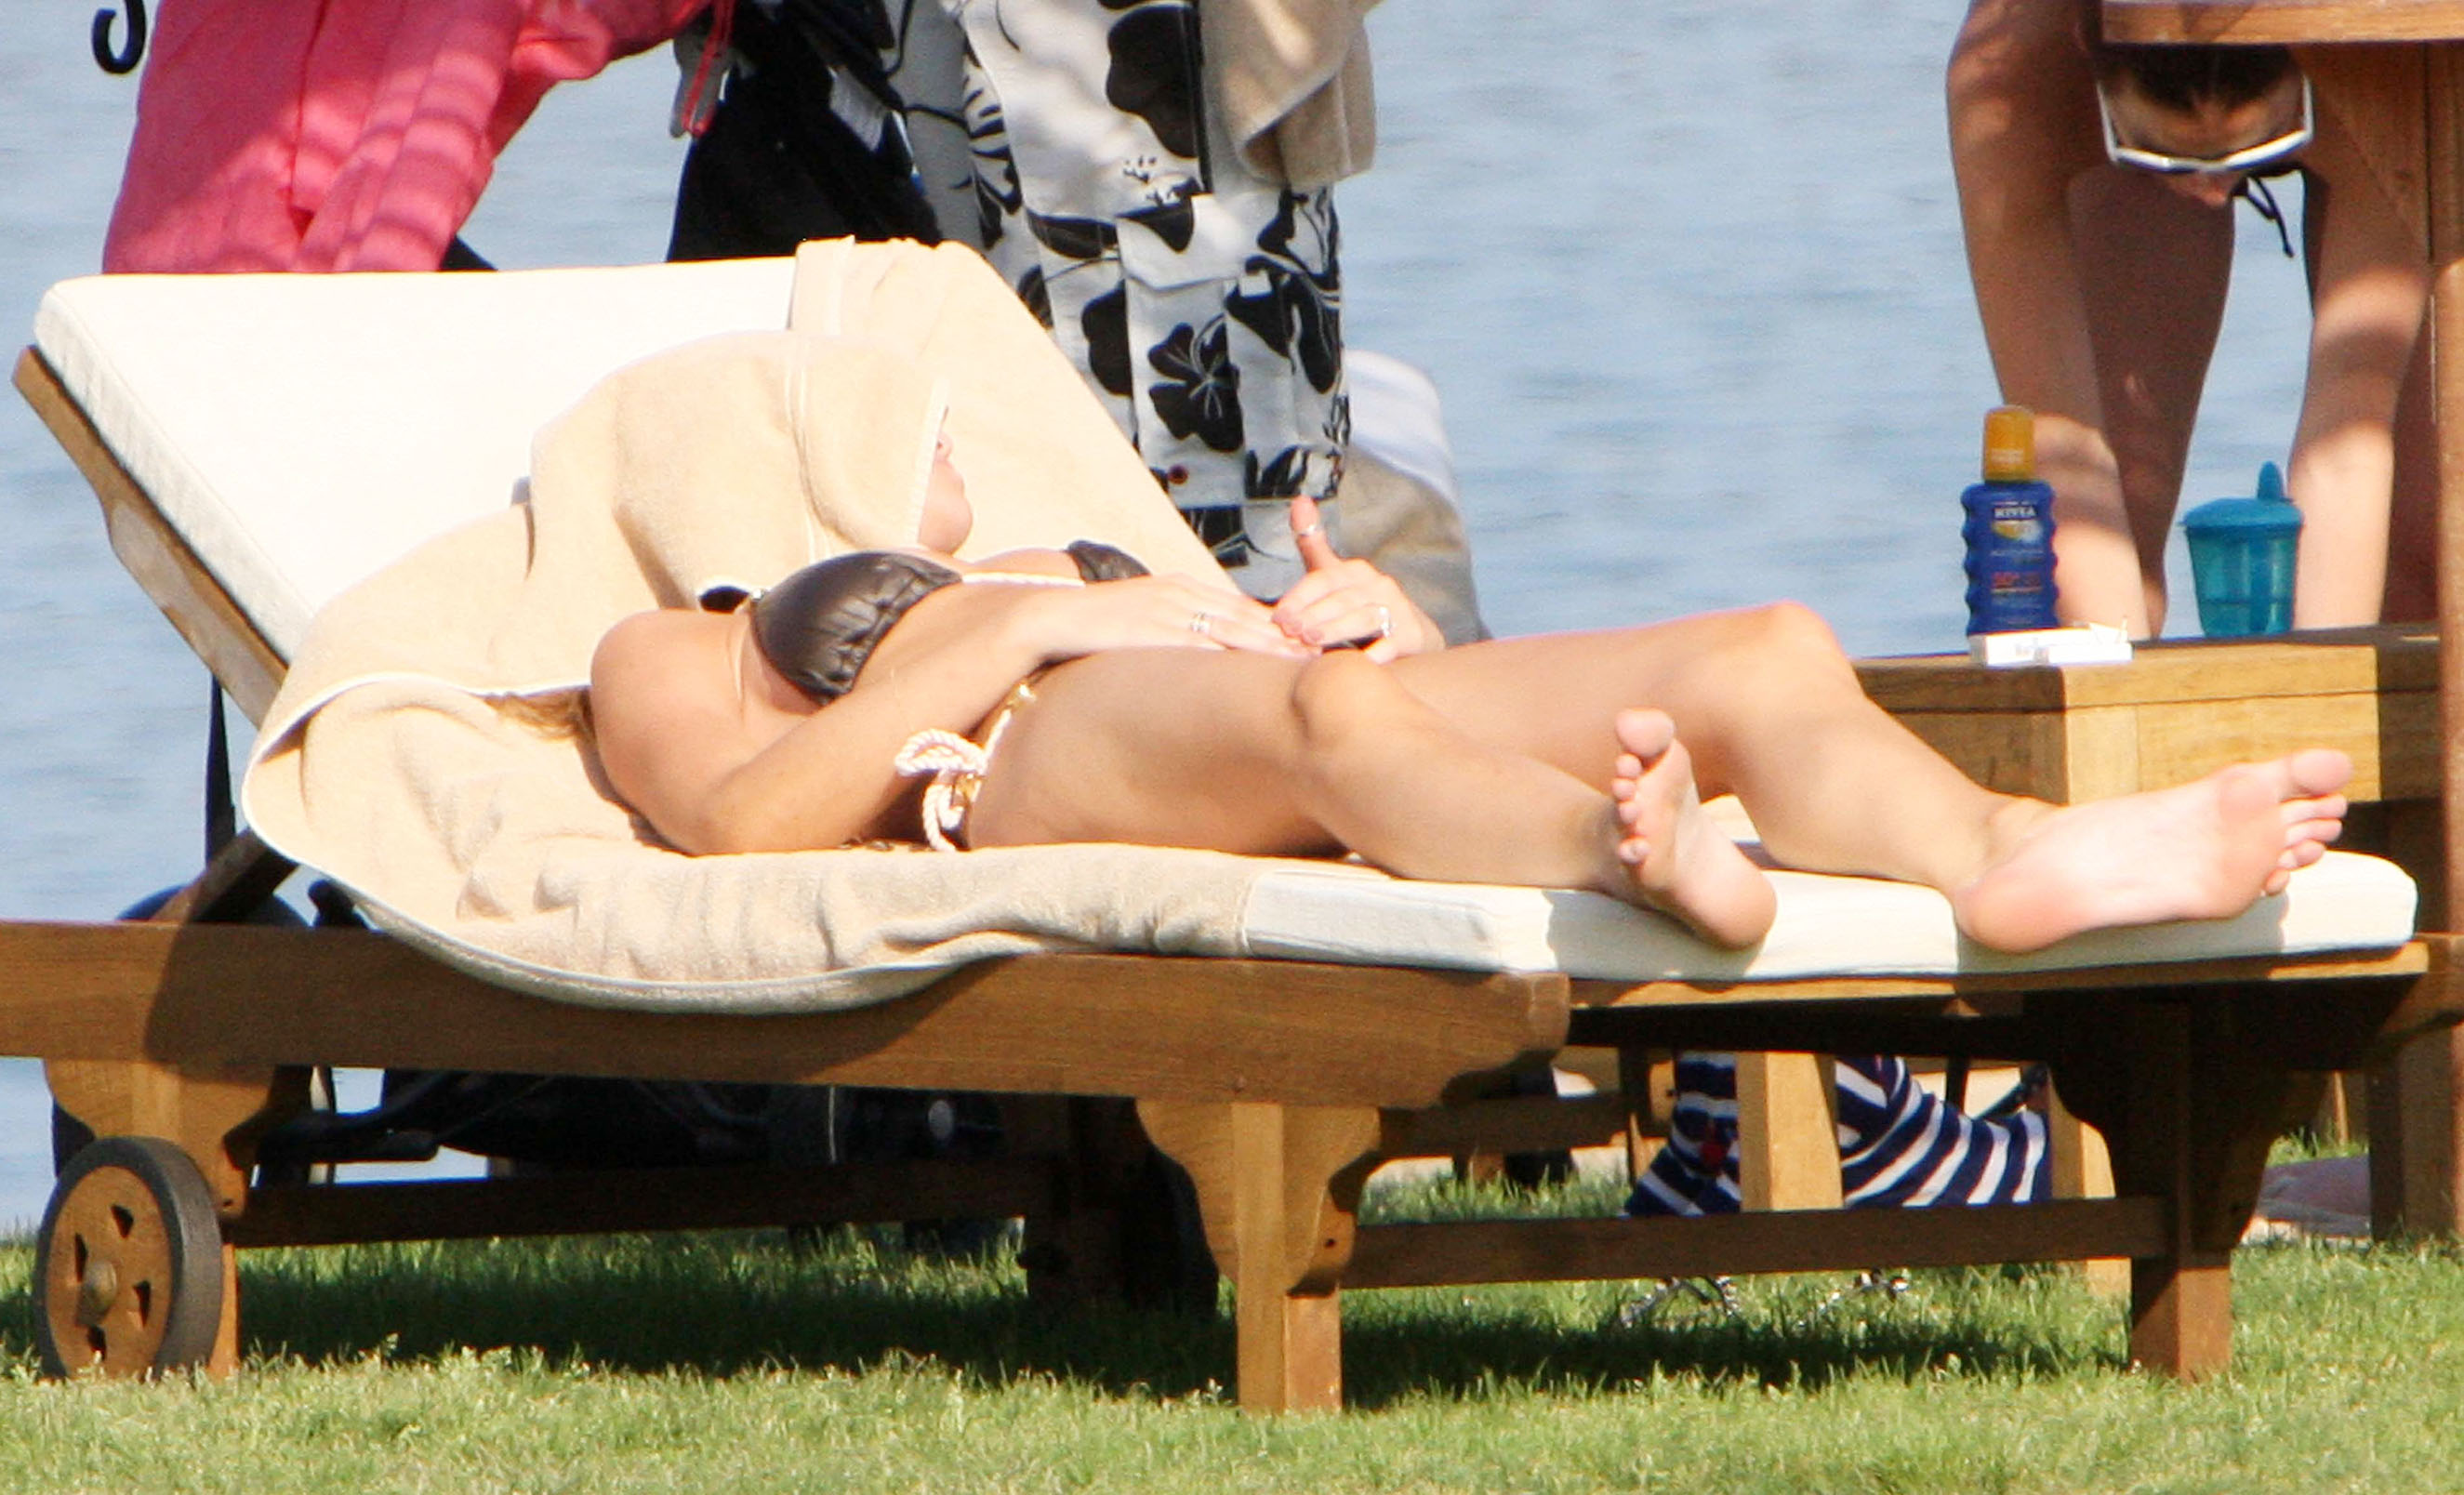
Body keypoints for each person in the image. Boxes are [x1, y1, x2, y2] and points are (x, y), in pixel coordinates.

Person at [587, 387, 2356, 962]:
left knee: (1757, 650)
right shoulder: (670, 637)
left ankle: (2003, 851)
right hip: (1023, 758)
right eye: (917, 424)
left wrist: (1382, 623)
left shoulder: (1041, 546)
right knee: (1326, 717)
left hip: (1242, 710)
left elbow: (1254, 670)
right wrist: (1011, 628)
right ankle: (1623, 851)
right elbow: (737, 828)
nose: (947, 436)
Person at [1949, 0, 2431, 635]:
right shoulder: (2008, 80)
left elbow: (2345, 439)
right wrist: (2118, 672)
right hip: (2098, 85)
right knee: (2122, 515)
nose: (2210, 191)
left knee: (2426, 552)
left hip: (2358, 88)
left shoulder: (2392, 62)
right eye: (2171, 157)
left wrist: (2325, 679)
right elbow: (2063, 441)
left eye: (2252, 146)